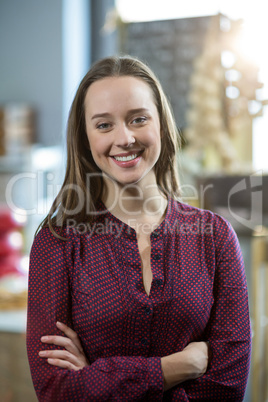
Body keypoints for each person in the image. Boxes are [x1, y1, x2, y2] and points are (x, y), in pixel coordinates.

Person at [26, 55, 251, 401]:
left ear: (160, 123)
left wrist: (96, 379)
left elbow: (228, 388)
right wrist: (175, 368)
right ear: (85, 138)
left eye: (138, 119)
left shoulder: (215, 237)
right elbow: (55, 390)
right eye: (104, 125)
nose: (125, 137)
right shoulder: (56, 243)